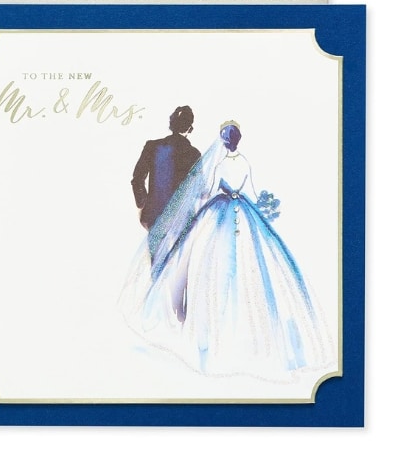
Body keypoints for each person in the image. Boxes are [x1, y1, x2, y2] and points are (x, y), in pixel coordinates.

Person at [120, 120, 334, 380]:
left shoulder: (218, 164)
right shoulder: (242, 163)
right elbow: (252, 191)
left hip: (210, 214)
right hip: (244, 214)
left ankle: (184, 319)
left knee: (202, 265)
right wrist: (262, 205)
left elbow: (208, 191)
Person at [131, 105, 201, 230]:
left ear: (171, 124)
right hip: (182, 219)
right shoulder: (194, 154)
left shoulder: (152, 146)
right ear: (190, 128)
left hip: (153, 217)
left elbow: (137, 178)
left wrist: (142, 205)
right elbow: (199, 188)